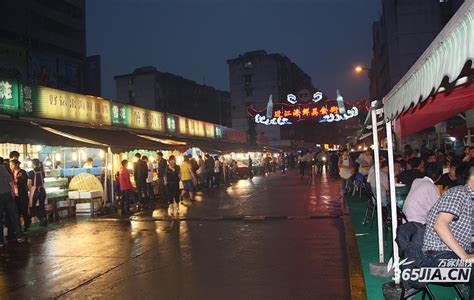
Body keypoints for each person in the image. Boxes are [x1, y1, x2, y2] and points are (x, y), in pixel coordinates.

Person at [421, 166, 474, 299]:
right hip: (437, 257)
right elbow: (440, 225)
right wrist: (465, 256)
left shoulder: (470, 199)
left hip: (452, 251)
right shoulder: (459, 194)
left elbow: (467, 234)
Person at [0, 157, 25, 245]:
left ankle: (1, 241)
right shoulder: (4, 170)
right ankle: (19, 236)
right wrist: (13, 192)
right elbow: (11, 182)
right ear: (2, 163)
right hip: (7, 195)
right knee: (14, 216)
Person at [10, 160, 30, 232]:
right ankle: (18, 228)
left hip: (23, 194)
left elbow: (25, 181)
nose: (11, 166)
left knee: (24, 210)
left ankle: (27, 226)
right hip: (15, 195)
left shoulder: (23, 172)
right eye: (11, 165)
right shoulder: (11, 172)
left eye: (12, 165)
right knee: (17, 212)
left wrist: (19, 178)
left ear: (17, 165)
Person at [28, 159, 47, 226]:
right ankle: (44, 219)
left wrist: (30, 190)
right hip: (42, 190)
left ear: (33, 164)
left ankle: (41, 218)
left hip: (35, 191)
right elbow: (43, 182)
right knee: (42, 206)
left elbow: (29, 183)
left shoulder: (31, 172)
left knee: (32, 206)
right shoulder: (42, 172)